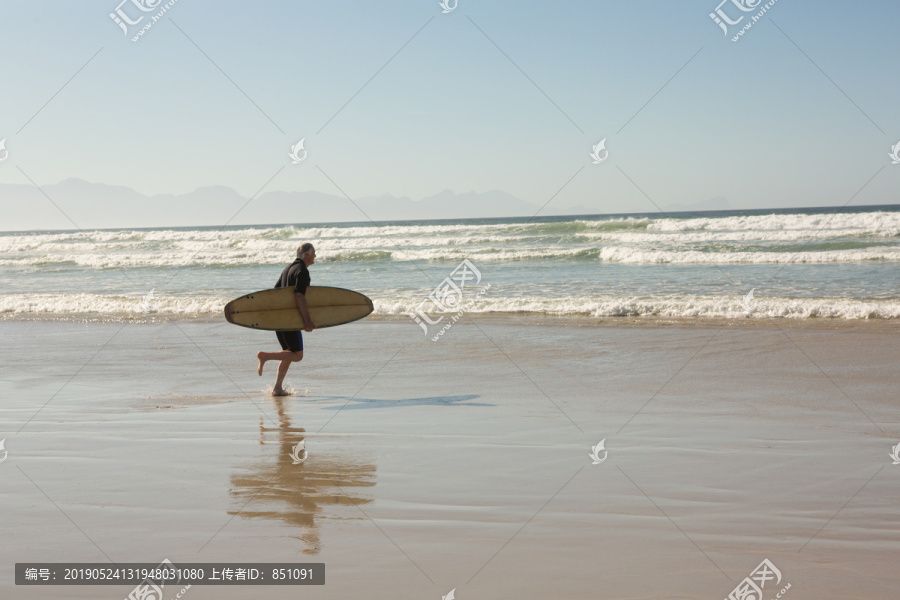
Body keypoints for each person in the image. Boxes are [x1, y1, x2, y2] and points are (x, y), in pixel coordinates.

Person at [257, 243, 317, 396]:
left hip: (280, 320)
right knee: (297, 355)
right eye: (314, 253)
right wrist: (307, 321)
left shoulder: (288, 269)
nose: (315, 256)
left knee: (288, 354)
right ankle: (265, 356)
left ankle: (277, 388)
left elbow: (275, 292)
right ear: (307, 254)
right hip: (290, 321)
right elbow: (299, 296)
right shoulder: (302, 271)